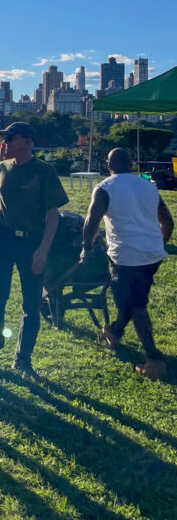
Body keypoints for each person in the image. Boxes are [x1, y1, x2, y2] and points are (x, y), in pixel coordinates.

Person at [0, 121, 68, 375]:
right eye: (5, 138)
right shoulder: (2, 167)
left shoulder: (44, 171)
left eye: (11, 137)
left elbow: (53, 215)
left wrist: (42, 250)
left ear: (27, 141)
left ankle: (22, 359)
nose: (5, 142)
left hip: (32, 241)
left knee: (31, 302)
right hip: (1, 239)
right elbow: (0, 203)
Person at [81, 148, 174, 380]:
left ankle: (154, 360)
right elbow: (168, 221)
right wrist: (158, 242)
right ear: (130, 164)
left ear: (108, 164)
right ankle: (113, 333)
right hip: (152, 255)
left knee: (134, 305)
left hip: (126, 256)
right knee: (132, 300)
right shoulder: (148, 186)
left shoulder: (105, 188)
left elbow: (91, 222)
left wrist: (86, 248)